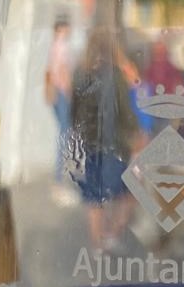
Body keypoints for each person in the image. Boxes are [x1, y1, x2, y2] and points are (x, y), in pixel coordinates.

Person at [70, 29, 141, 250]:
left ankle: (97, 244)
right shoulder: (115, 74)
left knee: (94, 197)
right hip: (114, 144)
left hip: (87, 144)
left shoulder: (79, 73)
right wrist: (136, 133)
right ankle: (112, 233)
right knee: (130, 192)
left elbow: (73, 112)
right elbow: (125, 110)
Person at [45, 18, 76, 199]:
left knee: (63, 131)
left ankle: (59, 177)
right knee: (65, 133)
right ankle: (59, 178)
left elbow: (50, 71)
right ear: (61, 29)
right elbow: (63, 71)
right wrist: (70, 91)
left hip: (56, 92)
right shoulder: (63, 46)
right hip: (63, 92)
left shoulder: (53, 46)